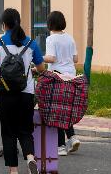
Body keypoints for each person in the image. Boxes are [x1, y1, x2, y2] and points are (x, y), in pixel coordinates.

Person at [0, 8, 44, 174]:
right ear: (18, 22)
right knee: (25, 130)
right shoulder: (31, 43)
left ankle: (13, 170)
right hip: (26, 92)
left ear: (4, 24)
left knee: (8, 132)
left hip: (4, 92)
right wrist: (33, 69)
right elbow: (41, 68)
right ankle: (30, 157)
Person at [43, 11, 81, 156]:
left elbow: (51, 58)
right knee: (65, 108)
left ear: (50, 24)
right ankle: (72, 137)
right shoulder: (70, 38)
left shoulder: (51, 39)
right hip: (71, 77)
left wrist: (38, 58)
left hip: (57, 77)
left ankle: (60, 146)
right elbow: (76, 58)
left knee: (56, 110)